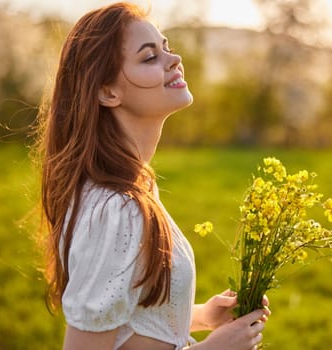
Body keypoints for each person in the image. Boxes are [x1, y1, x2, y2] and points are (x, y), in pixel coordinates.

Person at [36, 2, 270, 350]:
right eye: (149, 57)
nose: (173, 60)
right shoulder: (114, 211)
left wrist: (204, 316)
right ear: (107, 92)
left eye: (167, 48)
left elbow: (128, 316)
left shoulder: (134, 185)